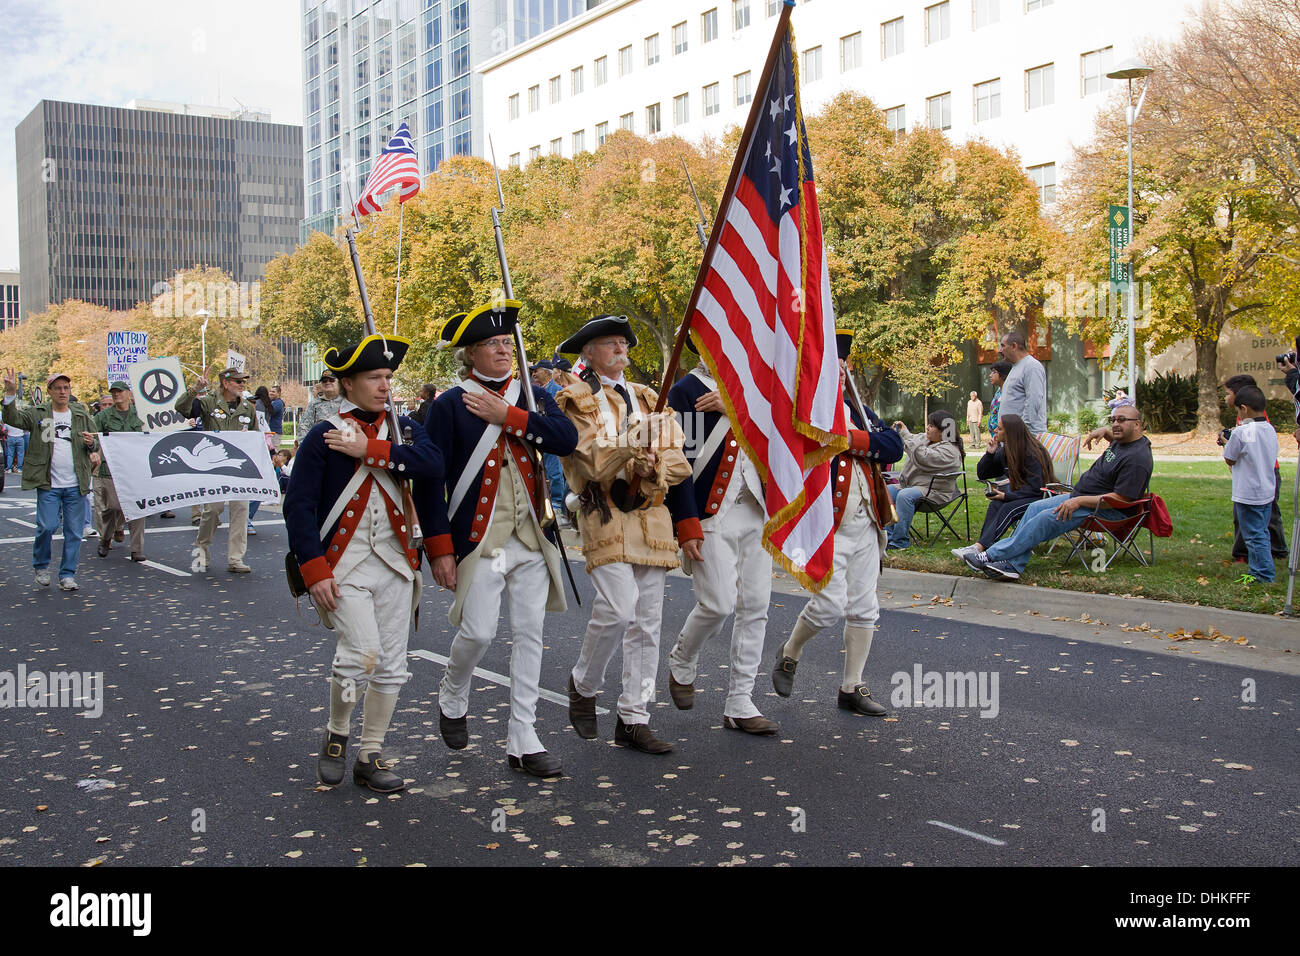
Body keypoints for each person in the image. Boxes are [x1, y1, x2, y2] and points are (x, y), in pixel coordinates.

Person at [425, 301, 579, 777]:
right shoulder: (449, 404)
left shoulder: (531, 395)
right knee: (479, 632)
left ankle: (523, 737)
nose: (503, 351)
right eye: (492, 344)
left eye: (506, 343)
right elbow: (429, 480)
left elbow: (565, 439)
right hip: (480, 541)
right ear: (470, 354)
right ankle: (453, 689)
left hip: (531, 536)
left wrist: (509, 414)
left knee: (531, 635)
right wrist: (439, 549)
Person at [285, 333, 442, 794]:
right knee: (361, 654)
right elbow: (299, 506)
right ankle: (337, 734)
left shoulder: (405, 428)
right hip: (341, 565)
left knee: (392, 665)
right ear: (348, 383)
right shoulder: (322, 433)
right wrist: (313, 569)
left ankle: (370, 754)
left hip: (394, 562)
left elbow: (433, 467)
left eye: (388, 377)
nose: (384, 386)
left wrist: (371, 451)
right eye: (374, 377)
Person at [556, 314, 691, 755]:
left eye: (623, 343)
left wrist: (654, 469)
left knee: (647, 624)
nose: (620, 349)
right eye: (610, 343)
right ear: (589, 353)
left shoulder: (651, 398)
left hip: (651, 516)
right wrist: (633, 446)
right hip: (606, 513)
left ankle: (634, 717)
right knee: (618, 609)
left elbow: (678, 461)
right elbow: (592, 462)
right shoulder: (575, 399)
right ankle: (584, 684)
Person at [771, 333, 905, 715]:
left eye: (843, 365)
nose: (841, 372)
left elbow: (893, 446)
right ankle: (790, 651)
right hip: (827, 523)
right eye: (834, 365)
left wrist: (847, 438)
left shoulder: (856, 408)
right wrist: (853, 441)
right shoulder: (806, 410)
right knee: (829, 607)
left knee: (865, 608)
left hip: (866, 521)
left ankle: (852, 687)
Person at [663, 335, 778, 735]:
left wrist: (736, 406)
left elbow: (783, 434)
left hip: (756, 509)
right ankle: (682, 658)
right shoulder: (687, 391)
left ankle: (740, 701)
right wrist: (686, 521)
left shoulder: (756, 391)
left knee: (757, 606)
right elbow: (682, 462)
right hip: (712, 513)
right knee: (717, 604)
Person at [962, 405, 1153, 581]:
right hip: (1081, 497)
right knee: (1034, 508)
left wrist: (1079, 502)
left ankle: (990, 555)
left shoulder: (1137, 460)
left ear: (1137, 425)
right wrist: (1106, 433)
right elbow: (1118, 447)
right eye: (1113, 420)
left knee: (1044, 518)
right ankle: (1013, 565)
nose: (1116, 424)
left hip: (1105, 508)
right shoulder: (1124, 442)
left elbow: (1121, 499)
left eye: (1121, 420)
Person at [3, 369, 100, 589]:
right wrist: (9, 394)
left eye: (66, 388)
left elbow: (94, 442)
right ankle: (41, 565)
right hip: (49, 483)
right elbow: (13, 419)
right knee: (46, 526)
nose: (63, 392)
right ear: (49, 392)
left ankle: (67, 574)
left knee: (74, 532)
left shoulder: (80, 414)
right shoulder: (39, 413)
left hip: (76, 483)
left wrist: (91, 447)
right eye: (57, 388)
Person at [174, 366, 259, 573]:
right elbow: (182, 409)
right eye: (238, 381)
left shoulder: (247, 407)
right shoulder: (208, 402)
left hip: (238, 468)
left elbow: (255, 436)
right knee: (212, 510)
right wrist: (195, 389)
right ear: (225, 383)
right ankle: (202, 548)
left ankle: (235, 559)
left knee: (240, 510)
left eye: (243, 382)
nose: (242, 385)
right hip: (215, 468)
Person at [952, 414, 1054, 561]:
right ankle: (979, 547)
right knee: (996, 504)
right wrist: (989, 453)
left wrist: (1007, 496)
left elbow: (1036, 488)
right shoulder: (1007, 451)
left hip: (1040, 497)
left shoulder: (1032, 453)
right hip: (1022, 495)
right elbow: (984, 474)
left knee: (1008, 507)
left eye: (999, 429)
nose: (995, 430)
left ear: (1010, 432)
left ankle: (980, 549)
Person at [1220, 373, 1288, 564]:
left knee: (1260, 520)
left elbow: (1236, 452)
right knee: (1260, 520)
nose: (1226, 398)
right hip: (1260, 474)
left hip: (1257, 475)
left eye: (1228, 393)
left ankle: (1263, 560)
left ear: (1242, 399)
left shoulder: (1249, 421)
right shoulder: (1258, 422)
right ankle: (1259, 555)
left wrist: (1229, 443)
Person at [884, 409, 965, 551]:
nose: (927, 427)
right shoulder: (927, 439)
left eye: (932, 426)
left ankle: (899, 541)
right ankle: (887, 536)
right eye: (928, 424)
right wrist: (903, 431)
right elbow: (913, 439)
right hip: (916, 486)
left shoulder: (950, 451)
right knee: (887, 491)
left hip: (935, 492)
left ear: (943, 431)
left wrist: (907, 438)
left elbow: (923, 456)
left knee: (905, 495)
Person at [93, 381, 147, 562]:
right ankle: (106, 538)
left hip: (135, 468)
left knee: (139, 508)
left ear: (128, 394)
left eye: (120, 391)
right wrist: (92, 451)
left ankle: (137, 549)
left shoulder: (141, 415)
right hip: (110, 468)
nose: (116, 395)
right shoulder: (103, 417)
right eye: (113, 392)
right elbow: (94, 439)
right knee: (113, 507)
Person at [997, 330, 1047, 434]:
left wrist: (1021, 431)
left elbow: (1033, 400)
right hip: (1013, 437)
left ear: (1014, 346)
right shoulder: (1016, 367)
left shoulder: (1032, 366)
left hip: (1026, 437)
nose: (1000, 350)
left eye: (1003, 346)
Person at [987, 361, 1011, 438]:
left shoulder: (1009, 393)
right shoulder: (998, 391)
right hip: (995, 436)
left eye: (994, 372)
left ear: (1003, 375)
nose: (990, 375)